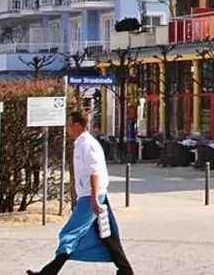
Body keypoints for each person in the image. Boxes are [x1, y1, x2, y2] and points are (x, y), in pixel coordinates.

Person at [25, 111, 134, 275]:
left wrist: (94, 198)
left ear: (77, 125)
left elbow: (94, 173)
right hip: (90, 195)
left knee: (70, 234)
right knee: (106, 233)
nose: (67, 128)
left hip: (91, 196)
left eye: (69, 125)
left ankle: (48, 272)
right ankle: (125, 269)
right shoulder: (81, 143)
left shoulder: (87, 144)